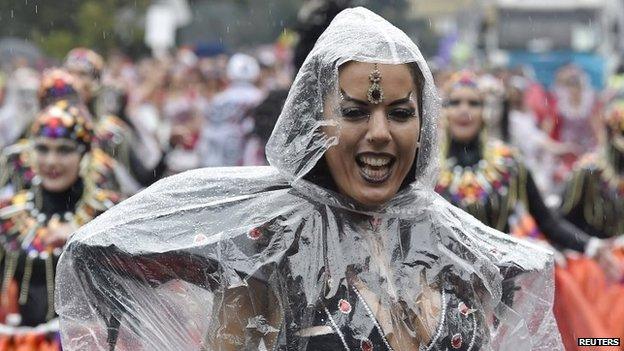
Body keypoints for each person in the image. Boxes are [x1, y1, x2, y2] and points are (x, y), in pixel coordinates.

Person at [56, 8, 562, 350]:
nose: (381, 134)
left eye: (401, 113)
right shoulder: (270, 249)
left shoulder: (455, 248)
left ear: (424, 123)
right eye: (356, 112)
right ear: (313, 121)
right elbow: (100, 252)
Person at [435, 70, 621, 350]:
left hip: (498, 292)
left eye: (473, 103)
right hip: (441, 290)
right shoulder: (427, 168)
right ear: (444, 111)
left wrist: (593, 247)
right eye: (455, 102)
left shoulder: (509, 164)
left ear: (485, 111)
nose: (464, 110)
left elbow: (549, 222)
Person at [0, 100, 121, 350]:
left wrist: (82, 238)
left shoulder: (108, 213)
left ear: (85, 153)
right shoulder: (10, 214)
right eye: (42, 149)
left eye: (64, 150)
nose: (51, 161)